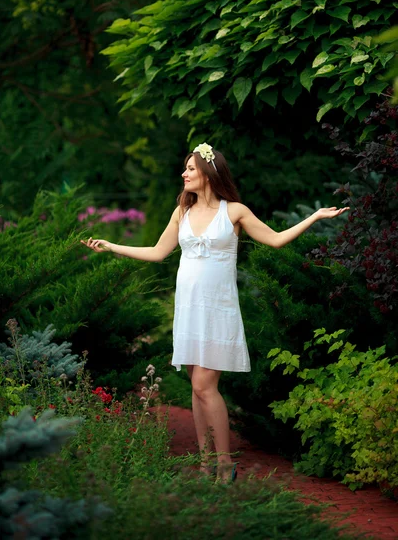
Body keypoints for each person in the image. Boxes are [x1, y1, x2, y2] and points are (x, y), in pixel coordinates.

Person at [81, 143, 349, 483]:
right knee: (196, 387)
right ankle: (206, 463)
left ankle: (225, 464)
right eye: (185, 168)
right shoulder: (182, 212)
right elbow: (157, 252)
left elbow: (277, 239)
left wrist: (314, 216)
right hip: (189, 309)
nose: (184, 174)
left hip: (218, 310)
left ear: (208, 172)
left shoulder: (235, 211)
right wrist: (110, 246)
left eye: (190, 169)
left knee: (205, 385)